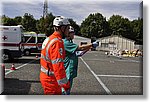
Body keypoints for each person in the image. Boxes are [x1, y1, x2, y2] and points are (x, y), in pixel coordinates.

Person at [62, 26, 99, 94]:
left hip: (69, 70)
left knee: (67, 90)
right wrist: (91, 45)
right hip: (67, 70)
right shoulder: (66, 43)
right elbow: (80, 48)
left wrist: (89, 48)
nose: (74, 34)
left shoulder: (69, 42)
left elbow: (79, 53)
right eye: (72, 33)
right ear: (68, 34)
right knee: (65, 90)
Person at [40, 16, 70, 95]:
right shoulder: (57, 42)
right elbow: (58, 66)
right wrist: (65, 85)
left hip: (48, 77)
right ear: (62, 28)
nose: (69, 30)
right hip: (51, 80)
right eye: (67, 28)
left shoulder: (50, 38)